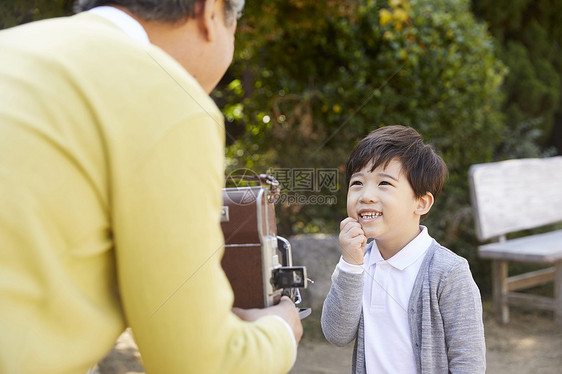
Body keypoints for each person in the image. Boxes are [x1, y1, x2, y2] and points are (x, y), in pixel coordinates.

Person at [0, 1, 302, 373]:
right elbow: (200, 363)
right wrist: (282, 330)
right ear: (210, 13)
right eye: (234, 25)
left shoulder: (12, 47)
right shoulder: (168, 93)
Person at [321, 125, 485, 373]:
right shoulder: (356, 263)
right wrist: (350, 265)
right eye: (357, 183)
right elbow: (337, 334)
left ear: (421, 202)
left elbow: (468, 361)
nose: (365, 195)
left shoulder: (448, 272)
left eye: (384, 183)